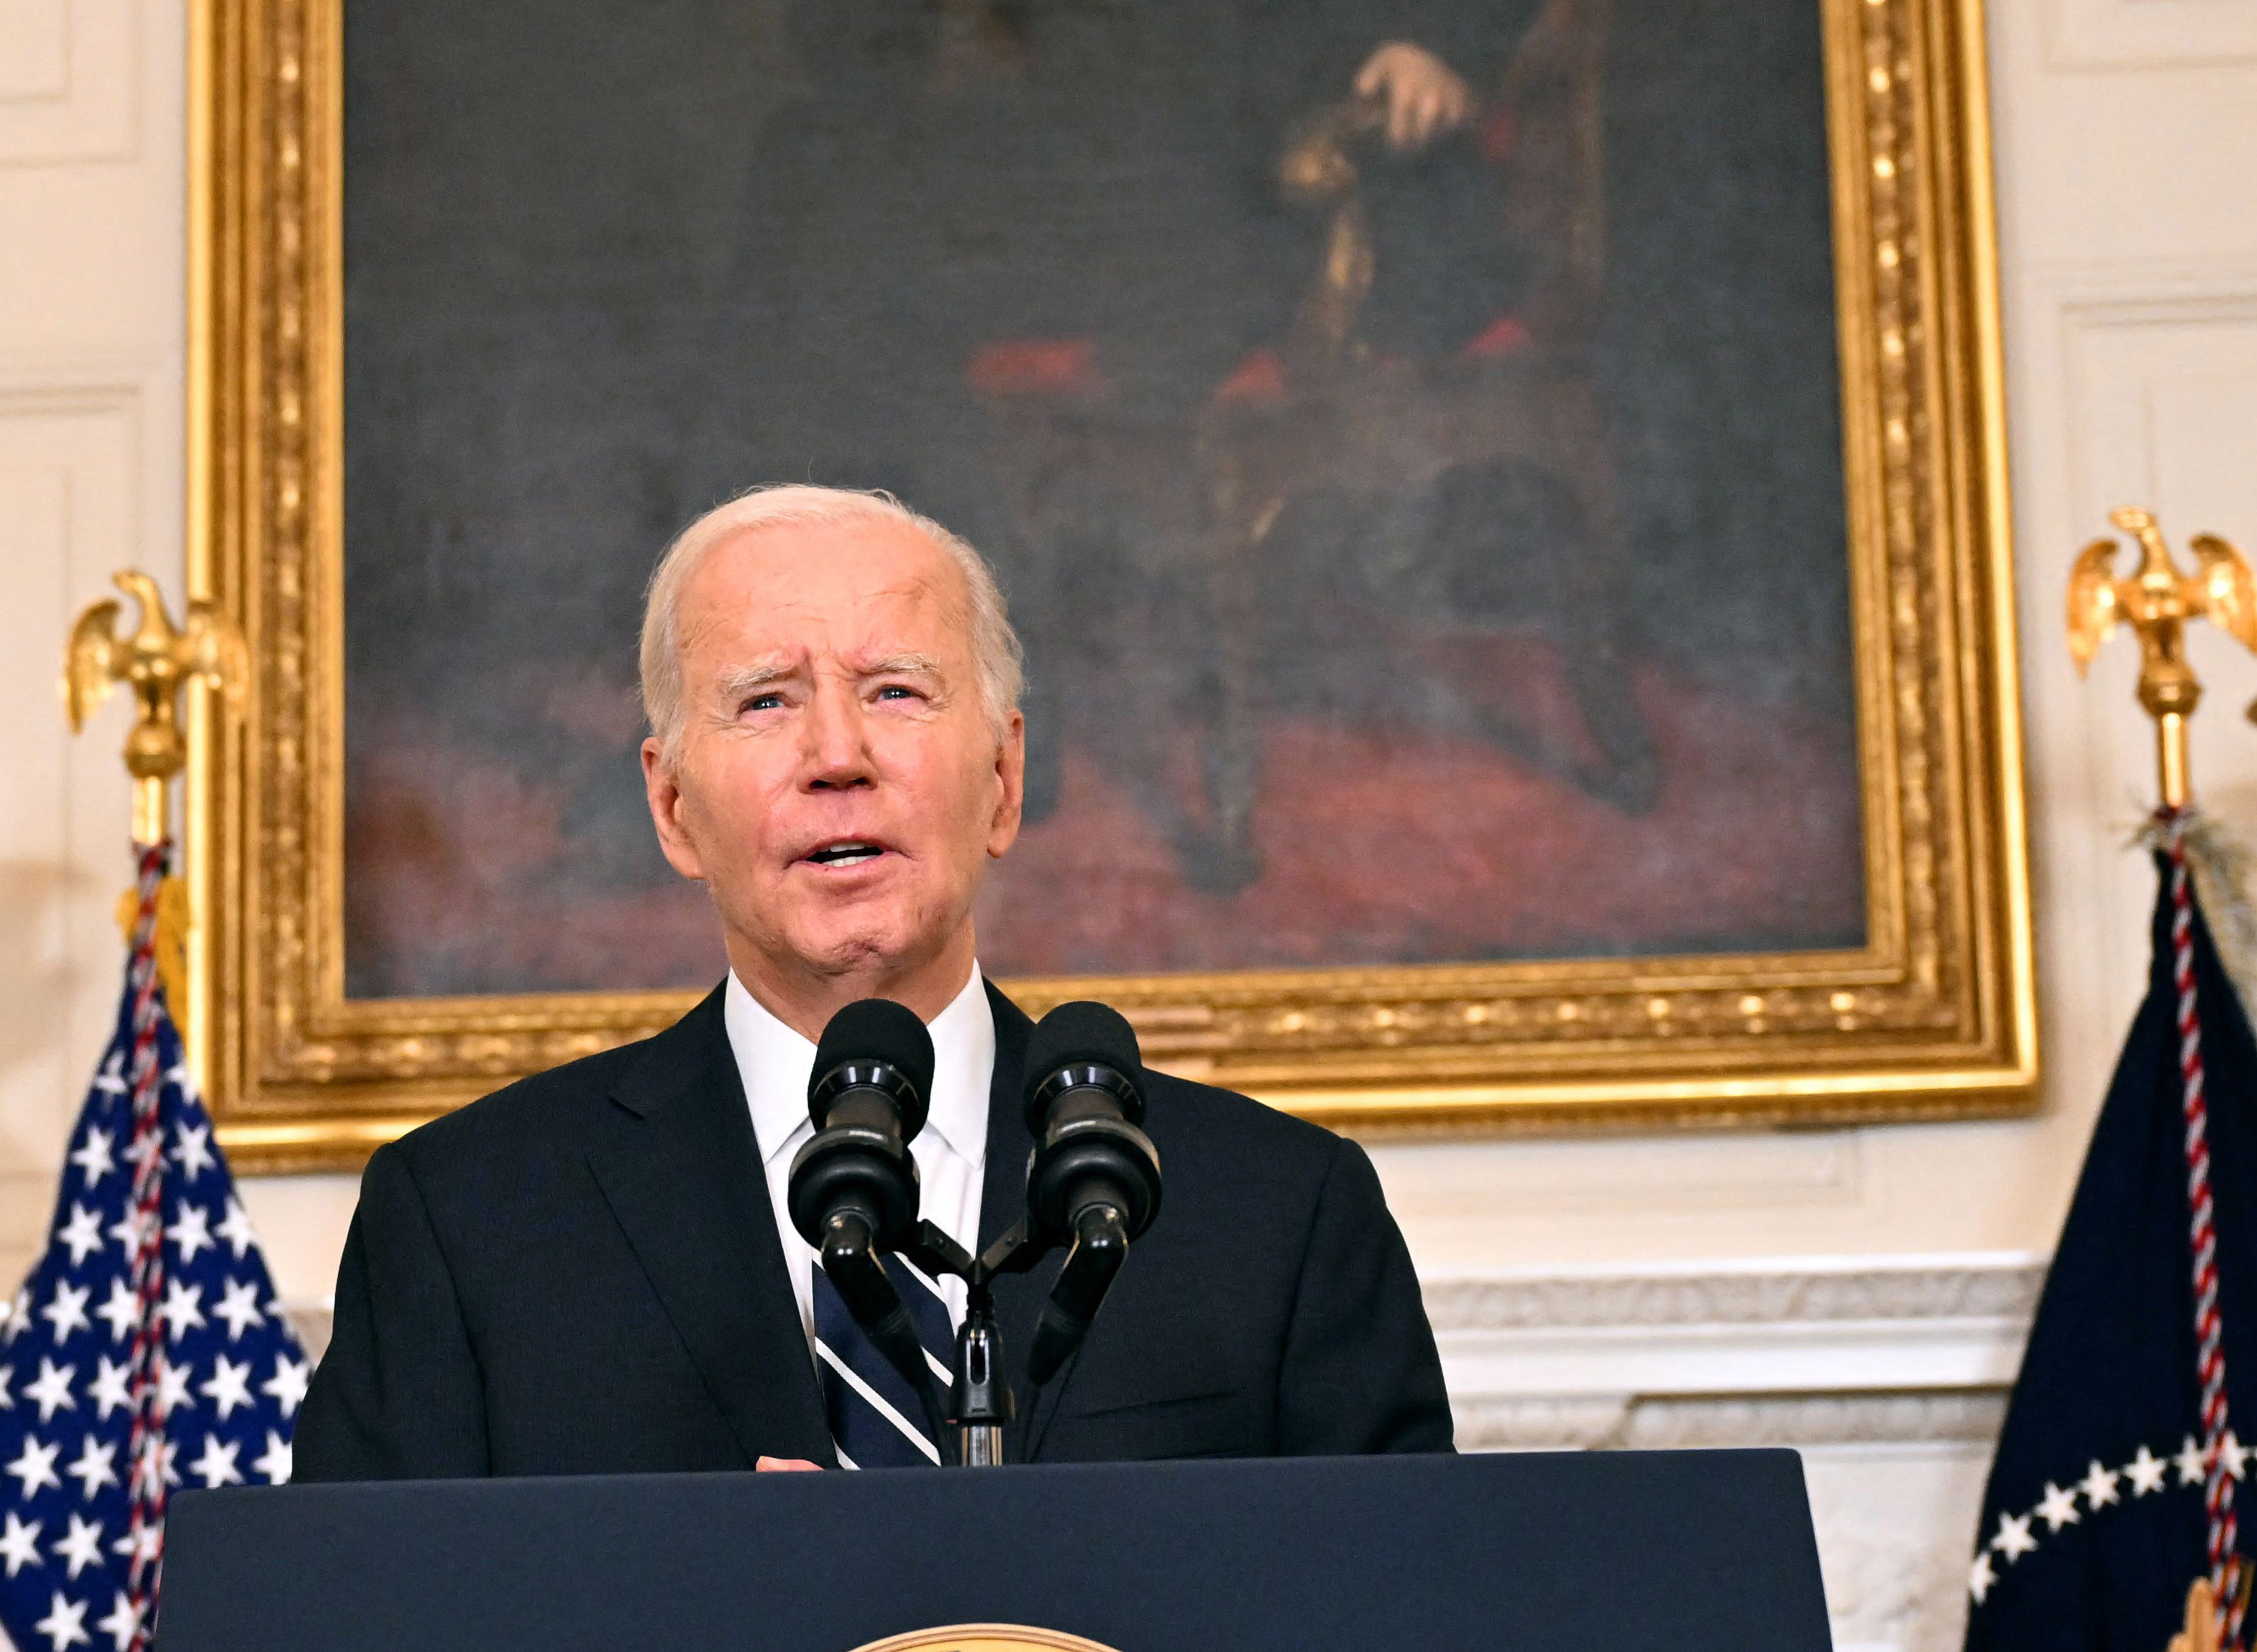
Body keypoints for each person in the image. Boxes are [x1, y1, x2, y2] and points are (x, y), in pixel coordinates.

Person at [299, 486, 1452, 1479]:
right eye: (766, 701)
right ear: (671, 807)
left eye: (896, 690)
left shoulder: (1280, 1216)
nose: (837, 755)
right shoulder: (469, 1223)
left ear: (1003, 781)